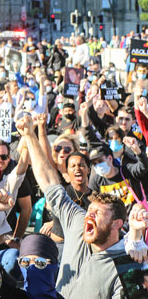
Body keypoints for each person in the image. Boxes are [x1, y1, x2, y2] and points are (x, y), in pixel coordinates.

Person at [17, 114, 128, 298]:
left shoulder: (126, 266)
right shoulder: (78, 221)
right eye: (89, 210)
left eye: (97, 213)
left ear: (117, 224)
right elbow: (49, 182)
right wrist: (30, 135)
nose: (89, 216)